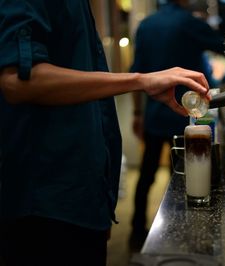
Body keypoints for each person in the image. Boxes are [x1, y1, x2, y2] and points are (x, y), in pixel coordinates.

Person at [0, 1, 210, 266]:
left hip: (84, 199)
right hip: (47, 204)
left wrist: (100, 198)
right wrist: (140, 80)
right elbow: (17, 81)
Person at [129, 0, 225, 250]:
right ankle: (181, 231)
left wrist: (138, 114)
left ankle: (136, 232)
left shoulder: (146, 25)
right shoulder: (188, 23)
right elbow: (223, 44)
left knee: (147, 173)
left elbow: (136, 71)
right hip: (182, 113)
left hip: (153, 113)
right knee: (184, 177)